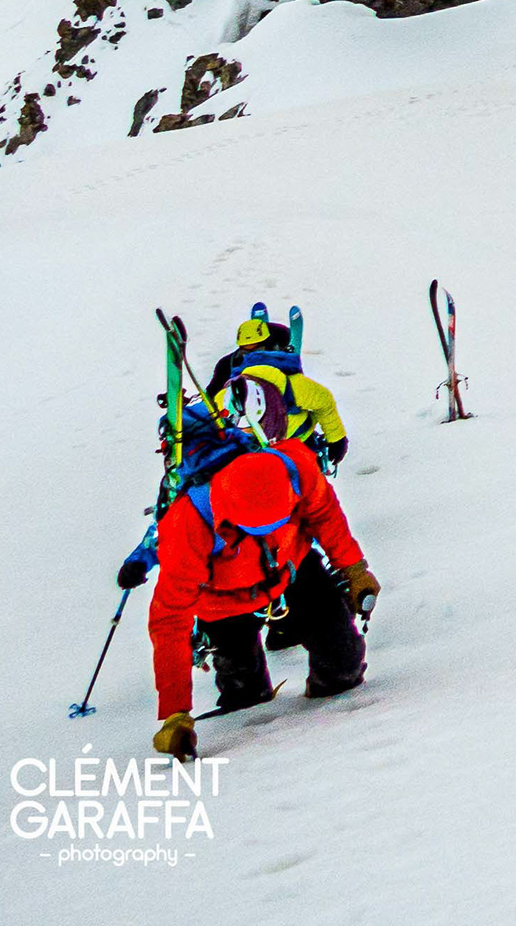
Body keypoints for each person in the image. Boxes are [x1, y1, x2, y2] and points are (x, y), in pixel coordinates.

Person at [119, 401, 379, 756]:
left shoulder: (297, 466)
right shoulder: (187, 525)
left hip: (292, 568)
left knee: (344, 666)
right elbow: (170, 619)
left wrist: (354, 569)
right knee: (245, 695)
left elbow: (324, 514)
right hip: (221, 602)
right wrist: (175, 712)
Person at [206, 312, 350, 463]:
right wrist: (337, 440)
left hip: (249, 456)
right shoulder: (289, 382)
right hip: (297, 448)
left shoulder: (228, 389)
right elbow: (323, 401)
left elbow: (212, 411)